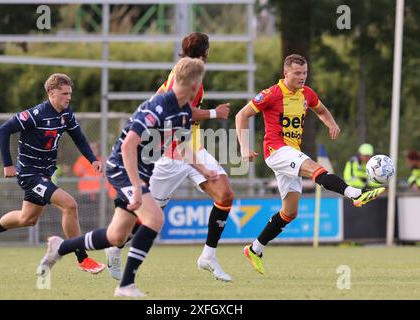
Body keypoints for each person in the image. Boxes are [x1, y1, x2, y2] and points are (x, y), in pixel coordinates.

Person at [38, 57, 216, 297]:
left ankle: (61, 246)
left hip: (140, 172)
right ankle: (126, 285)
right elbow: (128, 145)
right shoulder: (158, 106)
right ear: (195, 86)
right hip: (123, 168)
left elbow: (182, 145)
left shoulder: (183, 112)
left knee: (116, 236)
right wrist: (136, 186)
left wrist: (204, 170)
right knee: (154, 219)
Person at [235, 54, 386, 275]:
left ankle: (255, 249)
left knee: (290, 212)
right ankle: (356, 194)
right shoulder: (271, 94)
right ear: (285, 73)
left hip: (291, 153)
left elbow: (321, 110)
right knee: (316, 169)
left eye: (304, 72)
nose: (302, 77)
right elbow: (242, 115)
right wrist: (244, 147)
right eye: (297, 73)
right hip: (276, 150)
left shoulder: (307, 94)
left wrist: (331, 123)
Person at [105, 32, 234, 282]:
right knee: (145, 217)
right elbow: (179, 110)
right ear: (206, 51)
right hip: (172, 153)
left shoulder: (185, 70)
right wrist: (213, 112)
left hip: (192, 147)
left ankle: (208, 256)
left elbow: (165, 102)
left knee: (225, 194)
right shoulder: (184, 74)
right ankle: (115, 246)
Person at [0, 73, 105, 274]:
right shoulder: (35, 114)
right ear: (51, 93)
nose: (68, 98)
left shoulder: (66, 115)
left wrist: (92, 159)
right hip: (29, 174)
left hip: (45, 174)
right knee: (70, 205)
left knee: (28, 219)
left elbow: (79, 138)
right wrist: (8, 165)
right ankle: (82, 258)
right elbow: (3, 130)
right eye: (64, 93)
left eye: (70, 93)